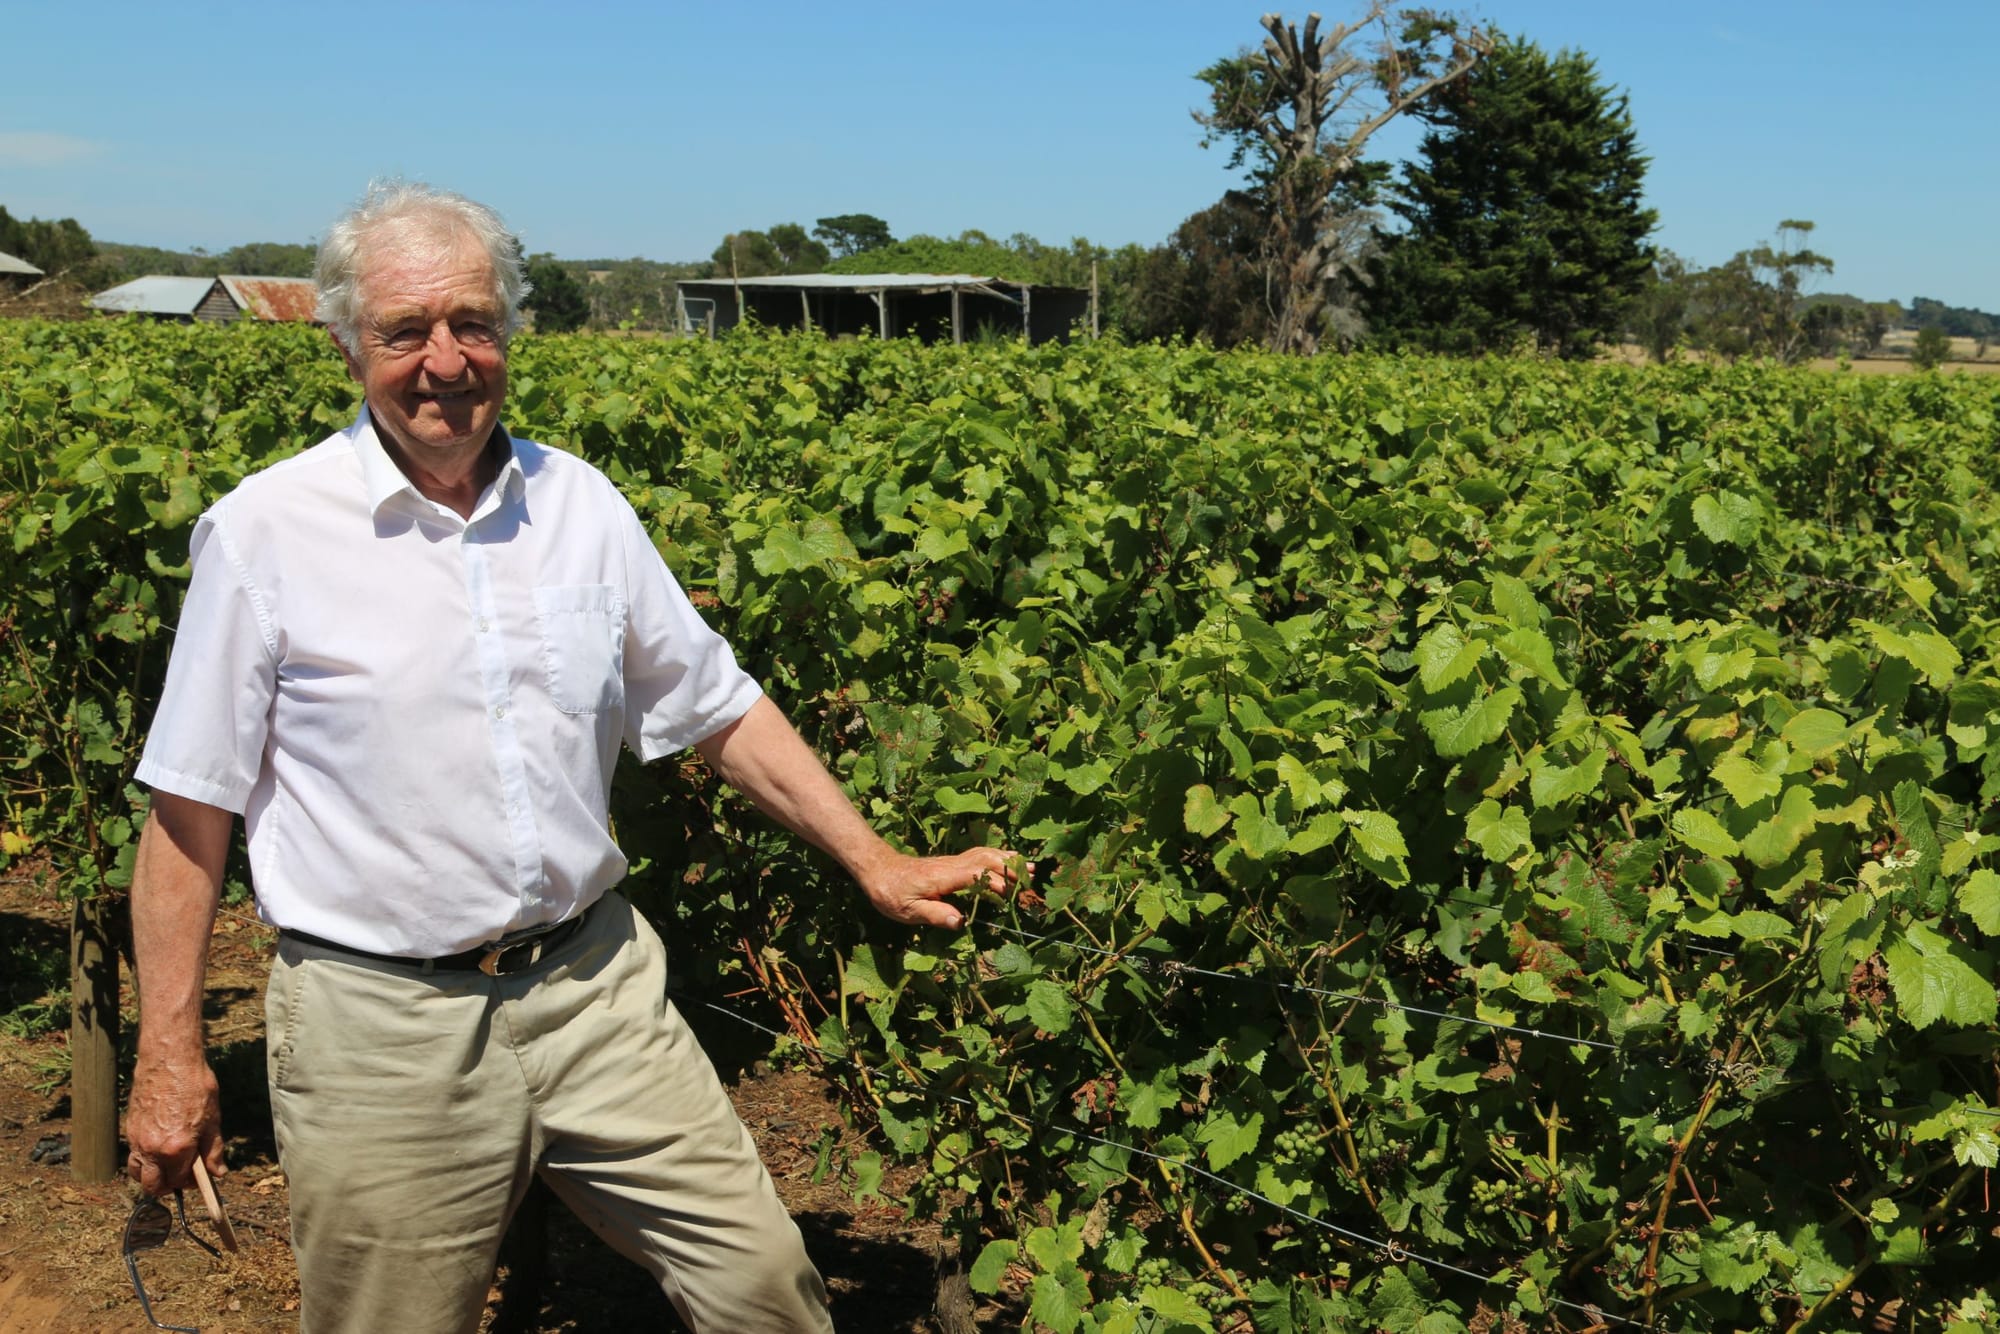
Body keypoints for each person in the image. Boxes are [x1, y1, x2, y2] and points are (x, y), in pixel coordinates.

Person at [121, 180, 1021, 1334]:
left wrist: (873, 857)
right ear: (346, 343)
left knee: (763, 1290)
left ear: (508, 330)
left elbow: (714, 705)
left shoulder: (581, 504)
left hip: (596, 989)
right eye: (405, 332)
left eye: (473, 324)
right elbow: (188, 811)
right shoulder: (265, 532)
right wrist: (170, 1052)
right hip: (385, 1028)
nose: (446, 360)